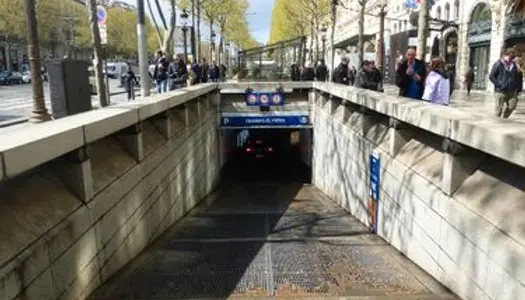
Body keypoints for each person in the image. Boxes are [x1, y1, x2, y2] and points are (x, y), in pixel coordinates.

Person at [489, 48, 523, 118]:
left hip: (512, 91)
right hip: (500, 91)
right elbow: (491, 76)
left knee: (512, 106)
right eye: (510, 56)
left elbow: (518, 78)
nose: (511, 58)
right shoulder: (498, 64)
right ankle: (496, 124)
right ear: (505, 55)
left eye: (513, 57)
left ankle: (504, 118)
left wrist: (518, 89)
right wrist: (499, 84)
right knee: (498, 110)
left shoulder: (514, 65)